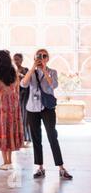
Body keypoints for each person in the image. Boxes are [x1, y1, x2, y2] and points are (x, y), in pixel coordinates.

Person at [20, 49, 73, 180]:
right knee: (36, 138)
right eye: (39, 56)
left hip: (47, 108)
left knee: (52, 136)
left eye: (44, 56)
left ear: (48, 58)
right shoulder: (30, 72)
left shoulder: (52, 71)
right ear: (34, 57)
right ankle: (40, 167)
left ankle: (61, 167)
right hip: (32, 108)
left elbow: (54, 85)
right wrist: (33, 68)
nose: (42, 58)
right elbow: (23, 84)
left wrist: (44, 70)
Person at [0, 51, 24, 170]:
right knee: (11, 130)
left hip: (1, 104)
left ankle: (6, 162)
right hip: (13, 104)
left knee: (4, 130)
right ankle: (9, 161)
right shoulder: (13, 71)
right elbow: (18, 88)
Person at [13, 53, 31, 146]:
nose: (16, 61)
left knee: (24, 117)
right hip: (14, 97)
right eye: (15, 59)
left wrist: (20, 75)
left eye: (18, 59)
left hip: (24, 96)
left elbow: (27, 81)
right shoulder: (12, 70)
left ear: (21, 60)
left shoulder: (26, 70)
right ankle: (17, 139)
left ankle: (26, 138)